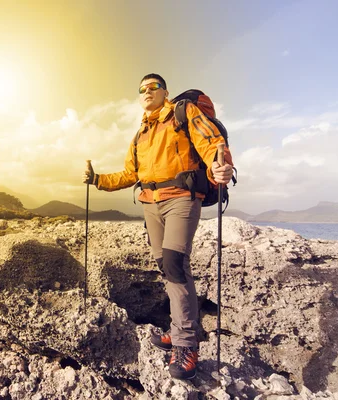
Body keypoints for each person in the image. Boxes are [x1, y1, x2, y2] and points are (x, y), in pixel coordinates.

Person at [83, 73, 234, 380]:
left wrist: (220, 164)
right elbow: (129, 174)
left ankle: (186, 344)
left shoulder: (183, 112)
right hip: (150, 203)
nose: (147, 91)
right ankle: (178, 328)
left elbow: (210, 142)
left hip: (181, 198)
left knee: (175, 264)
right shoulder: (140, 134)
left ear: (166, 92)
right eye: (142, 89)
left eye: (153, 86)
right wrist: (97, 180)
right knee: (165, 267)